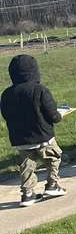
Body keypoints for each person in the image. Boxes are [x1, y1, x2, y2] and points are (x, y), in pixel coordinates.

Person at [1, 54, 67, 207]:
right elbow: (52, 115)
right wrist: (59, 115)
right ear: (34, 71)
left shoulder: (6, 94)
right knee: (53, 158)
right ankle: (52, 184)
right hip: (43, 136)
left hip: (20, 140)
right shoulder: (40, 90)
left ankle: (27, 194)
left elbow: (6, 115)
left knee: (26, 167)